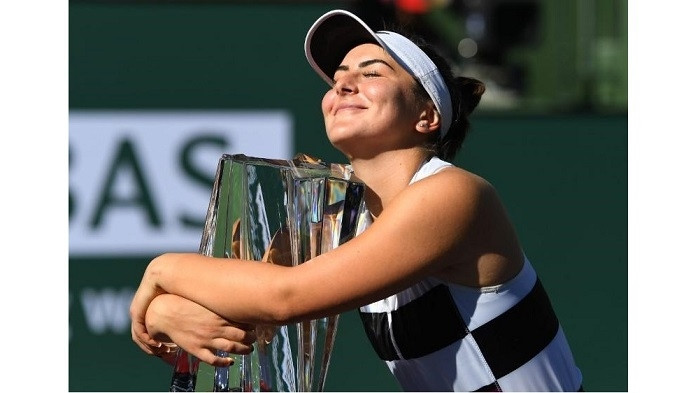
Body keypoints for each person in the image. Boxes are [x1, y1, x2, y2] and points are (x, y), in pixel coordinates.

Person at [130, 9, 583, 392]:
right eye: (338, 78)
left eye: (371, 73)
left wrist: (160, 270)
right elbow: (246, 318)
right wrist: (165, 309)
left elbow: (284, 297)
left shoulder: (454, 194)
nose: (344, 86)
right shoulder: (337, 219)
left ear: (427, 116)